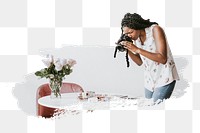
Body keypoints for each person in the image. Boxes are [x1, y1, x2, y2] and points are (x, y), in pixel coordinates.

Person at [120, 13, 179, 103]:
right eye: (126, 34)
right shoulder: (137, 38)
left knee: (154, 108)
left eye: (131, 32)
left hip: (164, 76)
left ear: (138, 26)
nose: (129, 36)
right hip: (149, 80)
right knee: (148, 108)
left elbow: (163, 59)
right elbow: (139, 62)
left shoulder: (155, 30)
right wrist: (127, 49)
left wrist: (137, 49)